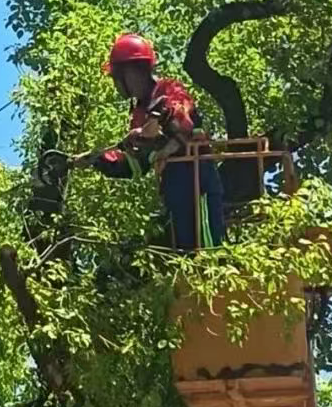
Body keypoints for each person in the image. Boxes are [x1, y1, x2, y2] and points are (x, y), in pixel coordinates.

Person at [75, 33, 226, 250]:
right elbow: (135, 165)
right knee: (181, 252)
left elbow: (181, 122)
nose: (115, 84)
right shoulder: (139, 112)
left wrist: (151, 126)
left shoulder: (169, 91)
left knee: (208, 251)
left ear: (131, 72)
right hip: (174, 189)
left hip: (196, 179)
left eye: (116, 77)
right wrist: (98, 159)